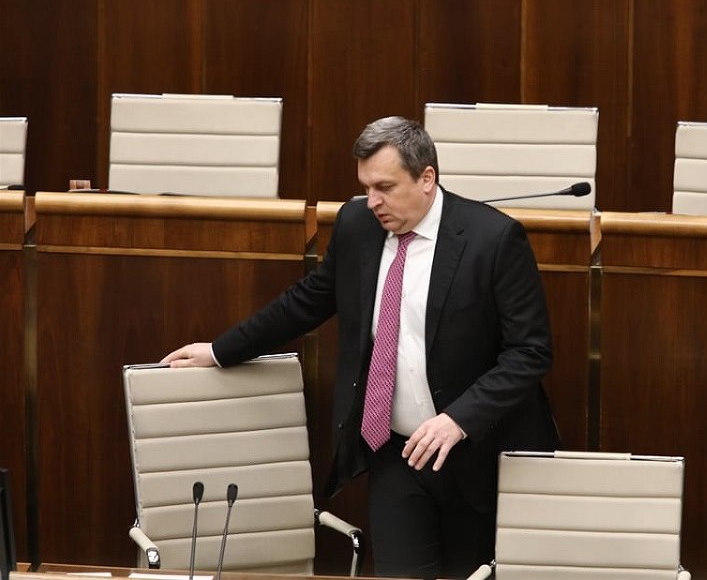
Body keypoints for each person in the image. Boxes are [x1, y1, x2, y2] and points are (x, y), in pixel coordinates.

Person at [162, 116, 559, 579]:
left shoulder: (493, 239)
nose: (373, 201)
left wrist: (458, 419)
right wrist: (221, 350)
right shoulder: (358, 225)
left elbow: (530, 351)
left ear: (426, 178)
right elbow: (307, 301)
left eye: (385, 187)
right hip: (395, 452)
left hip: (475, 454)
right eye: (366, 187)